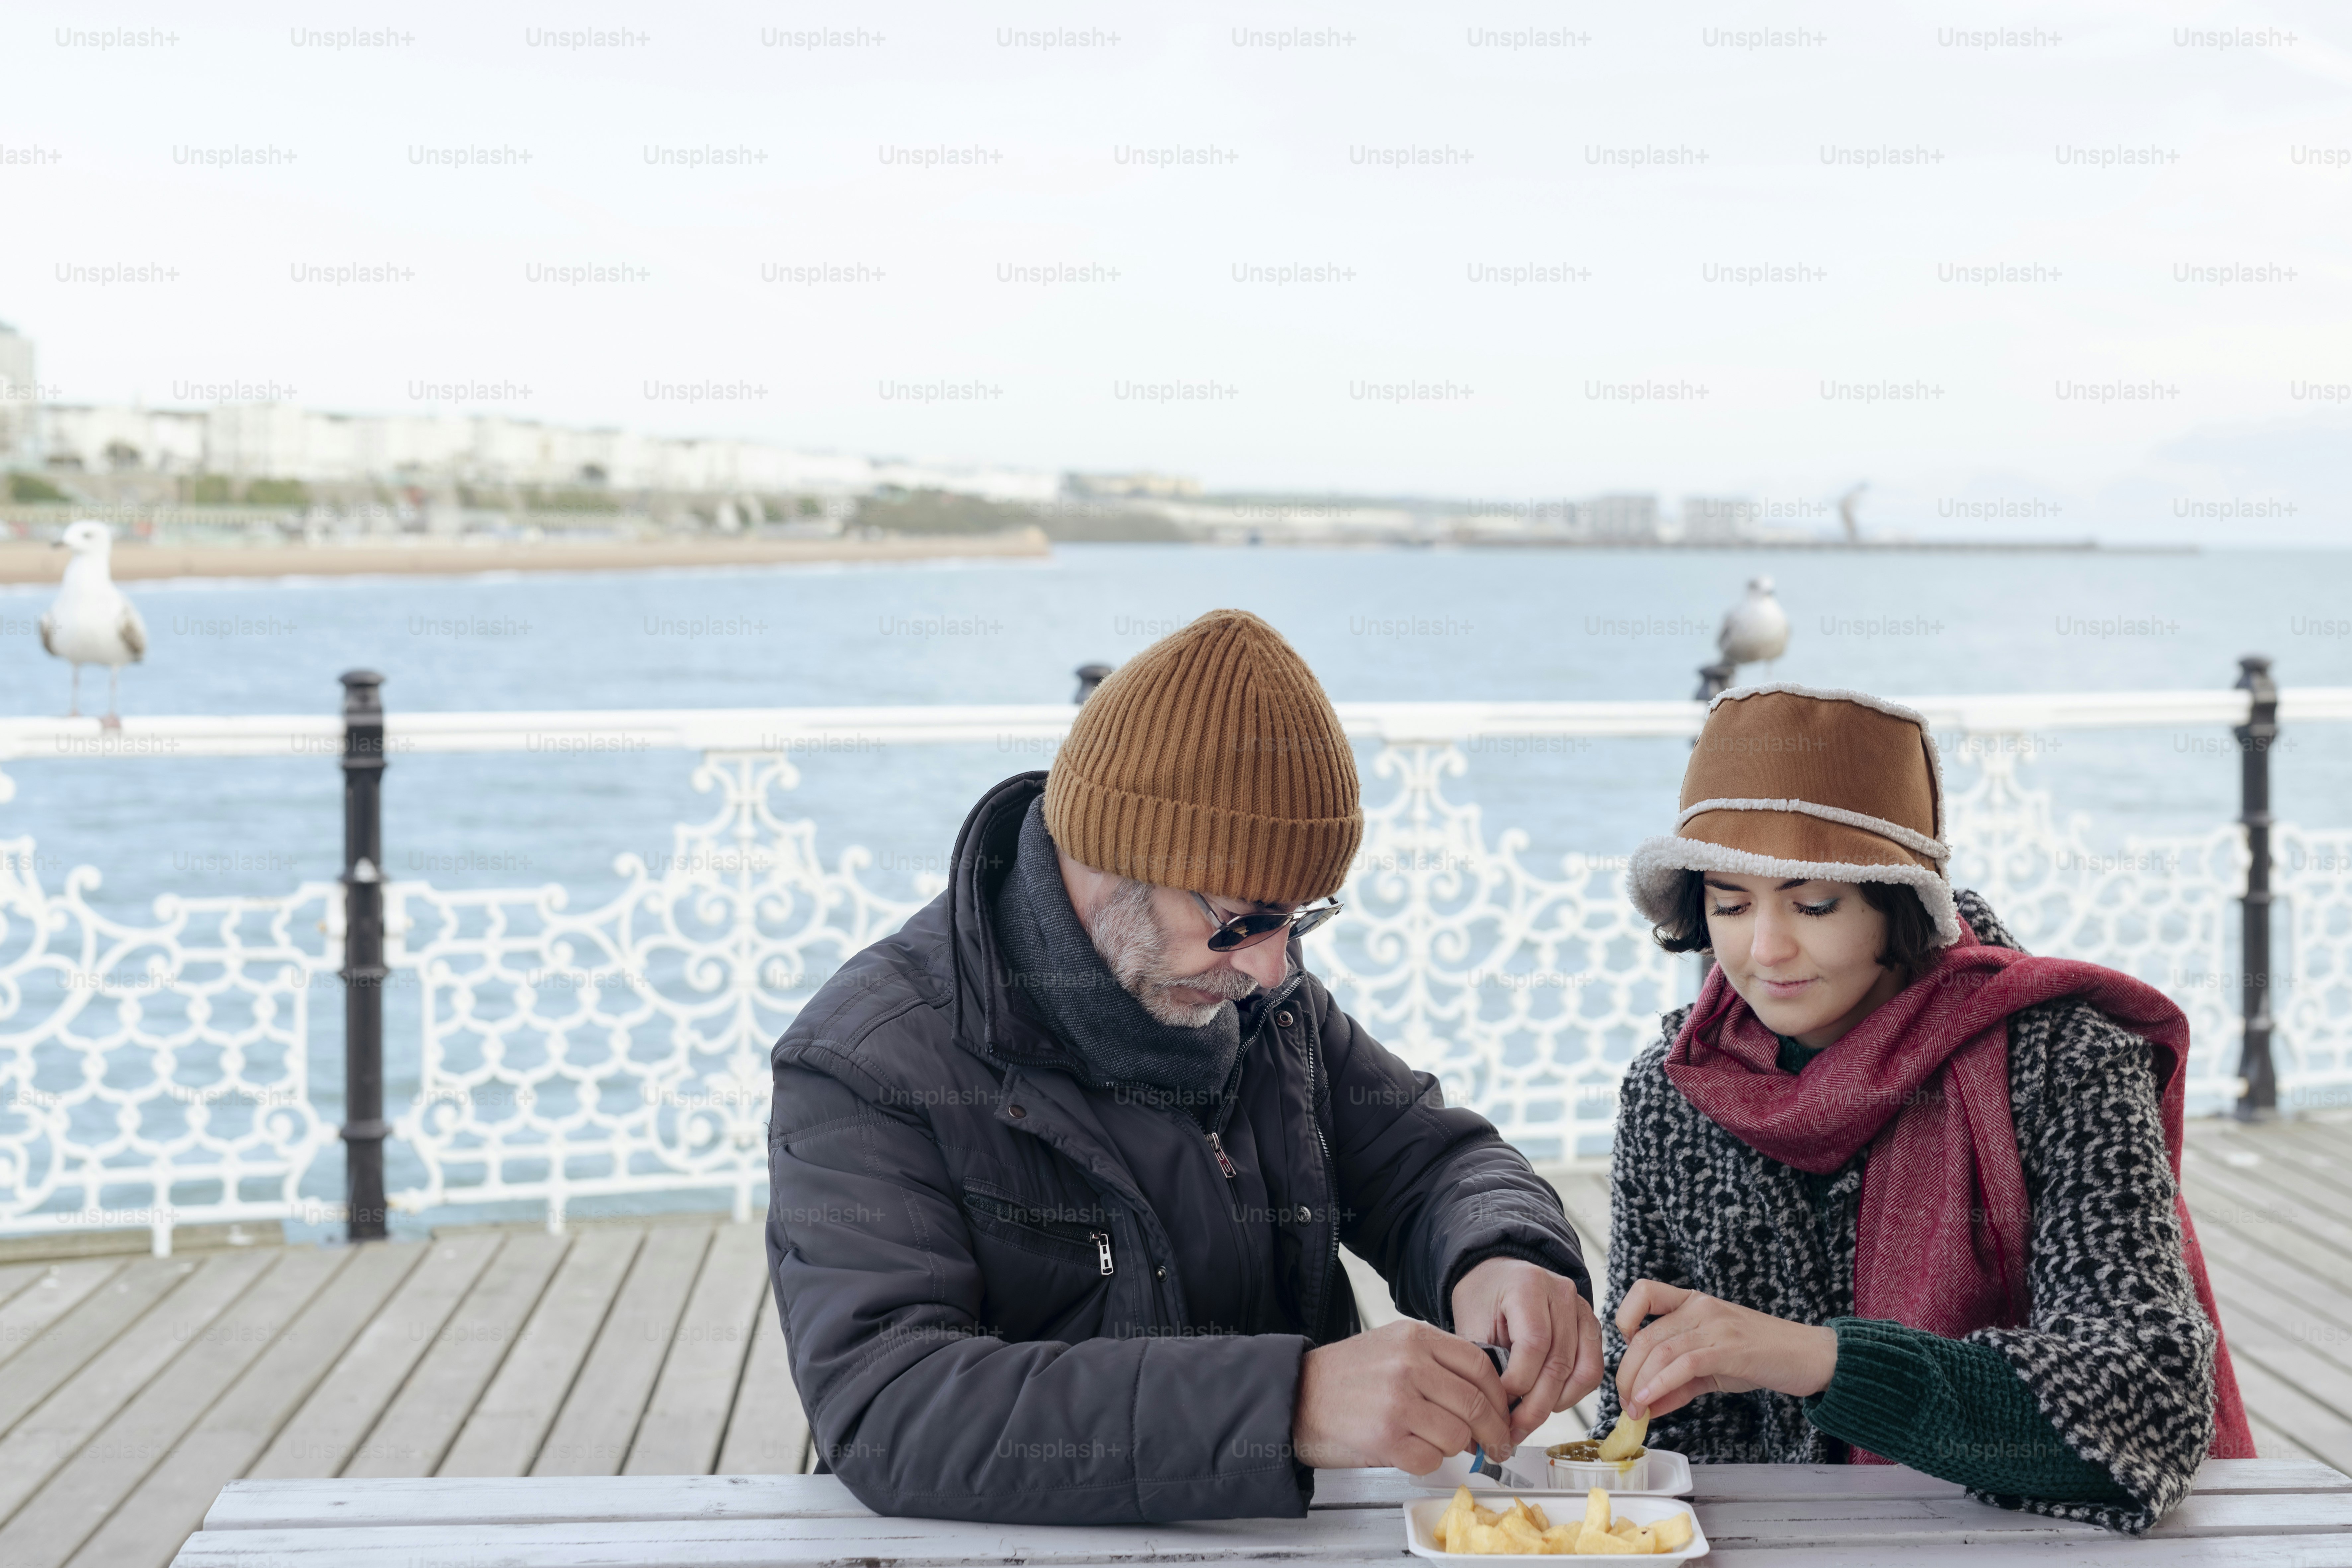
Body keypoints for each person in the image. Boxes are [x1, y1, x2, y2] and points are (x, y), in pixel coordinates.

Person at [765, 609, 1603, 1524]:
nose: (1273, 967)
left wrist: (1498, 1253)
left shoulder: (1263, 1002)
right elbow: (892, 1407)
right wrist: (1289, 1403)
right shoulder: (865, 1059)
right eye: (1243, 921)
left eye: (1298, 919)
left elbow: (1430, 1163)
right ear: (1107, 859)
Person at [1600, 682, 2255, 1533]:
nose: (1764, 949)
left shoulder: (2064, 1063)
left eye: (1815, 903)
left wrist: (1821, 1361)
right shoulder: (1673, 1094)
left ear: (1898, 902)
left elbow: (2150, 1403)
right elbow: (1671, 1438)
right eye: (1729, 902)